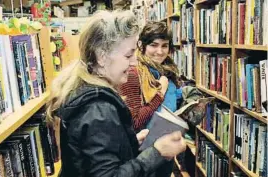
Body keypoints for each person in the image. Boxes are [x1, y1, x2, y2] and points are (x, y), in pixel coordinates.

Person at [46, 10, 186, 177]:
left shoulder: (86, 91)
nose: (134, 61)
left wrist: (130, 143)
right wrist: (156, 153)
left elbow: (95, 155)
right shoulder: (97, 109)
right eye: (128, 55)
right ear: (102, 57)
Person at [118, 21, 183, 177]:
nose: (160, 52)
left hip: (167, 145)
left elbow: (173, 102)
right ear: (142, 45)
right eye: (154, 45)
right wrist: (159, 93)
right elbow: (135, 122)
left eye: (164, 45)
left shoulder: (168, 70)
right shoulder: (133, 73)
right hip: (146, 152)